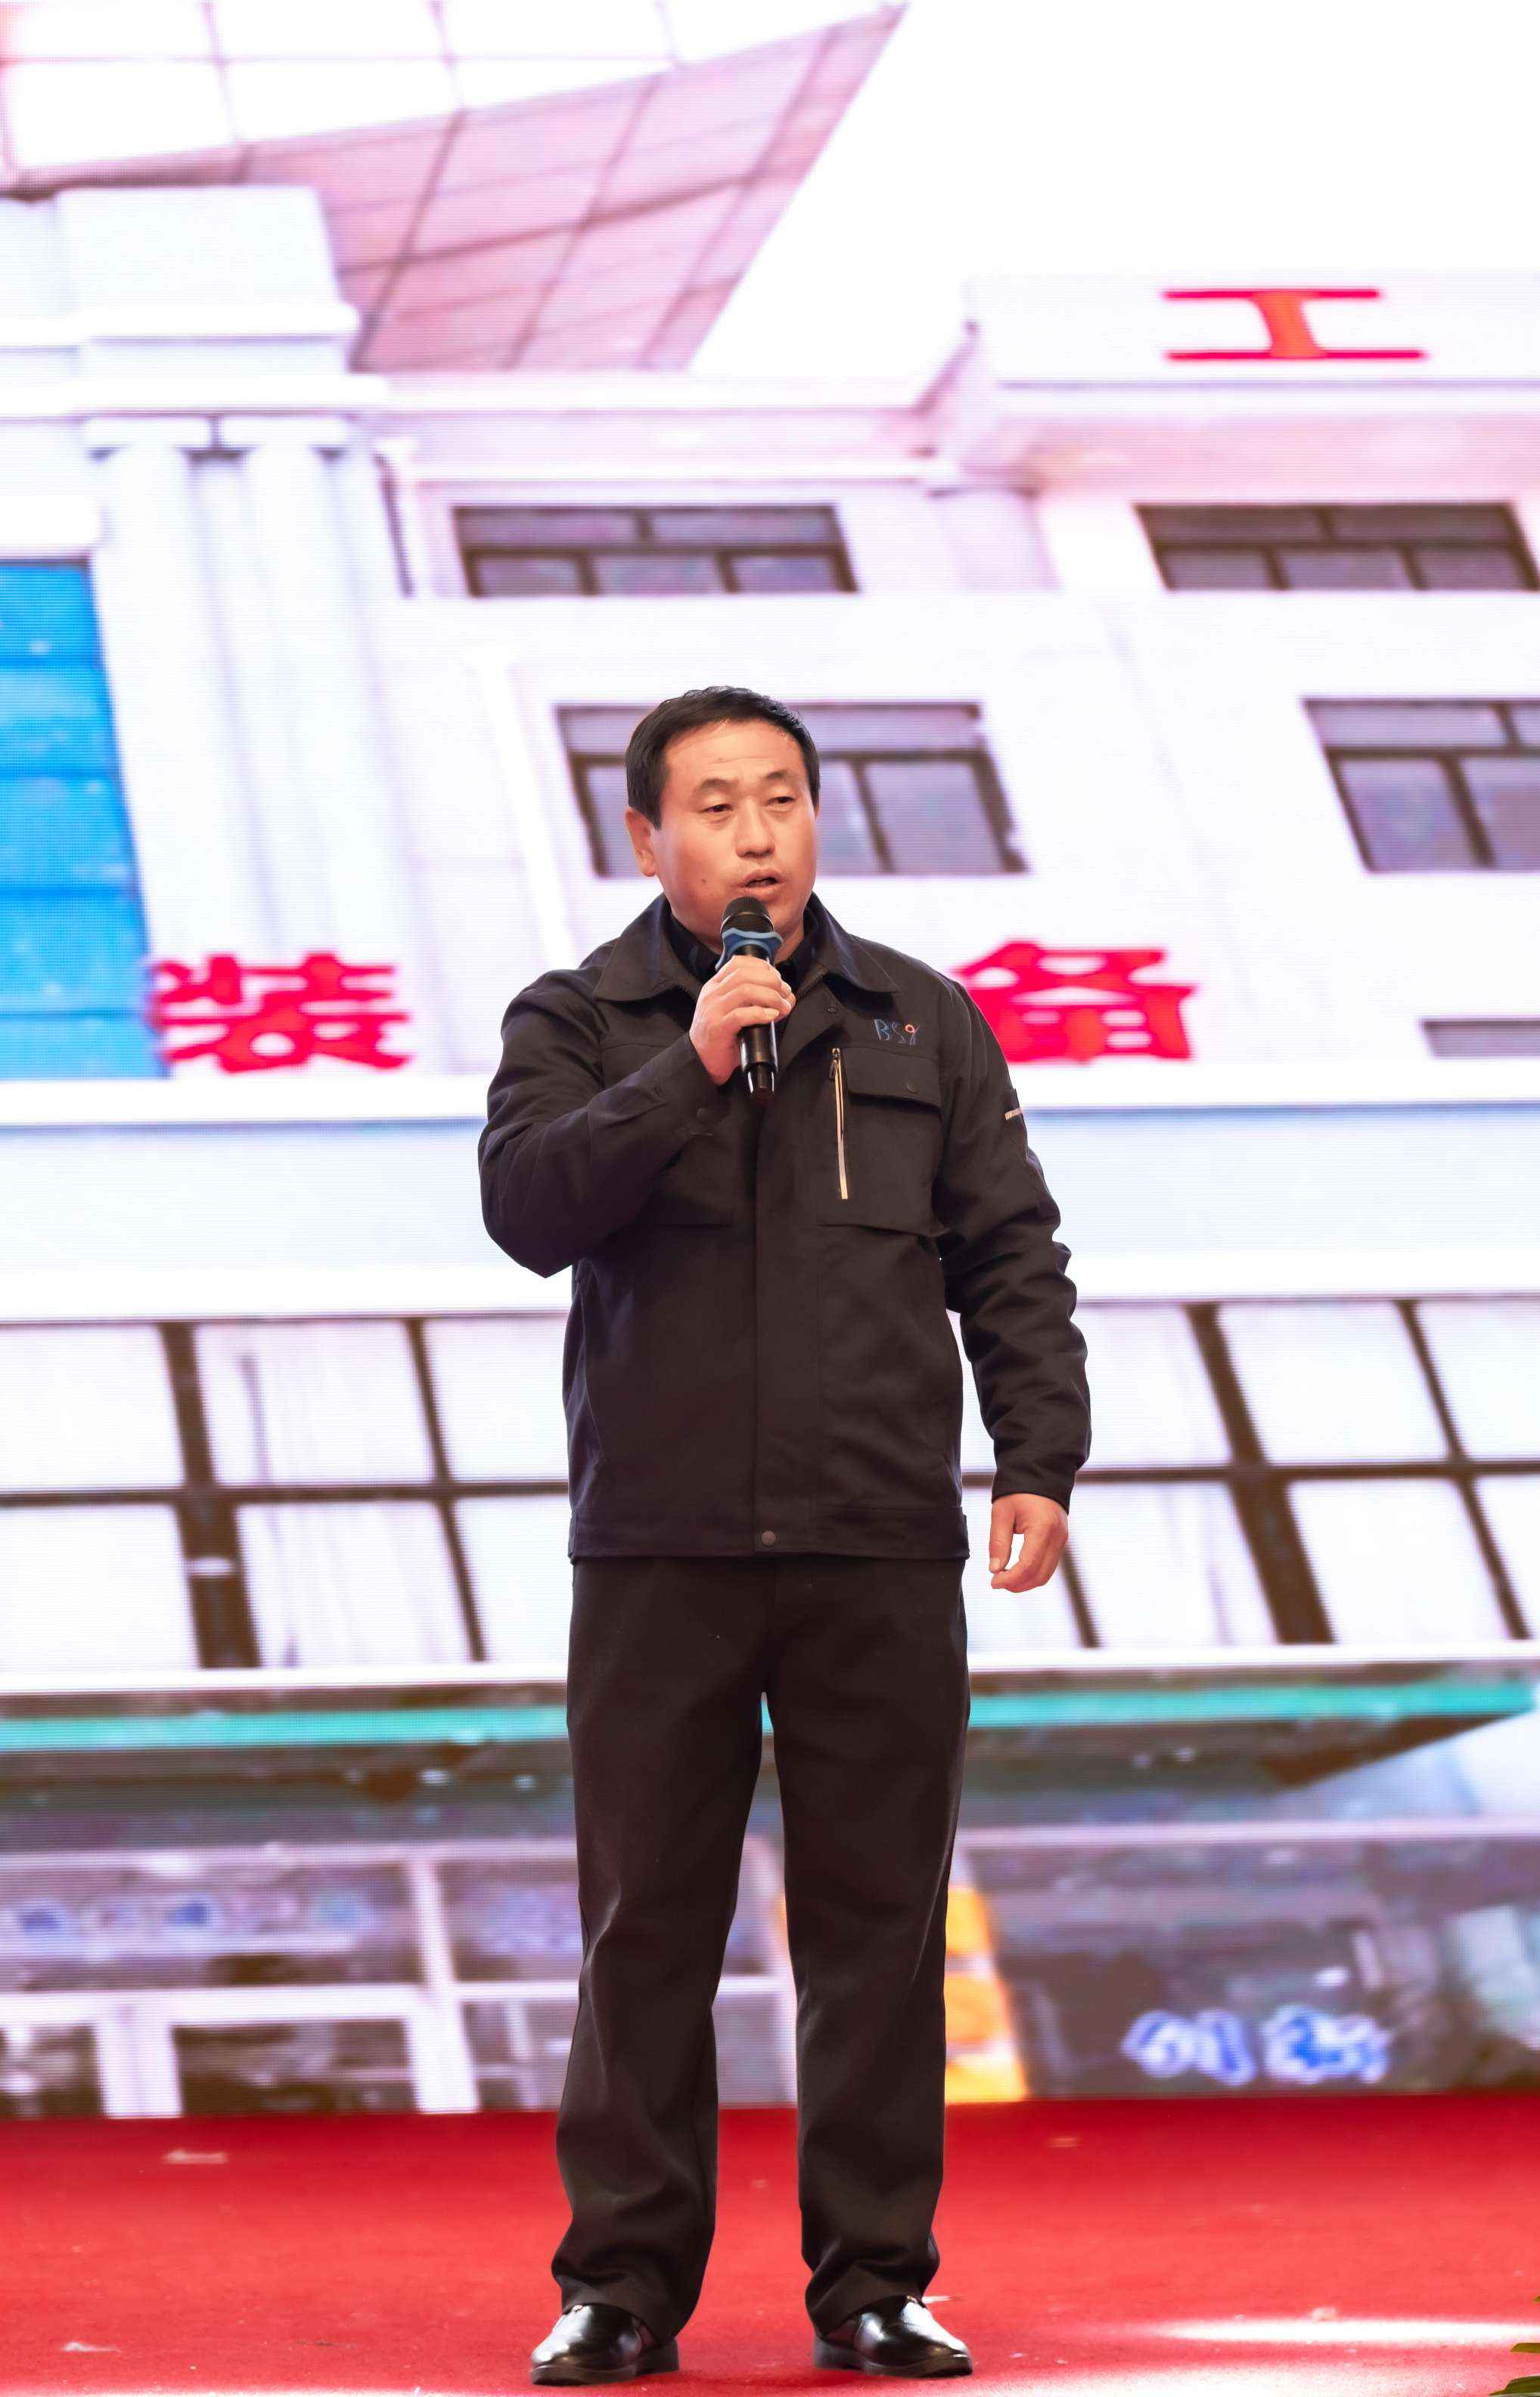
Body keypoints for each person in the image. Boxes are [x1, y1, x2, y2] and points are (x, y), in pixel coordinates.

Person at [479, 687, 1091, 2383]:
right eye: (719, 806)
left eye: (784, 800)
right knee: (646, 1931)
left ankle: (877, 2284)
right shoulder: (578, 1017)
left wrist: (1038, 1455)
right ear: (646, 838)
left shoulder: (922, 1018)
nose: (759, 836)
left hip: (877, 1538)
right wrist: (685, 1066)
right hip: (660, 1546)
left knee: (879, 1932)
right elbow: (528, 1211)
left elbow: (1011, 1253)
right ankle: (619, 2290)